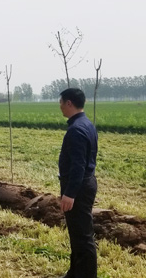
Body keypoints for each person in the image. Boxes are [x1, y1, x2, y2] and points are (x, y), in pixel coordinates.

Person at [58, 88, 98, 278]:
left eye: (61, 102)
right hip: (84, 184)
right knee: (77, 235)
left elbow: (78, 166)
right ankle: (75, 272)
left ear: (69, 103)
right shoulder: (86, 124)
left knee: (83, 238)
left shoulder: (76, 130)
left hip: (79, 188)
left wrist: (70, 193)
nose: (60, 107)